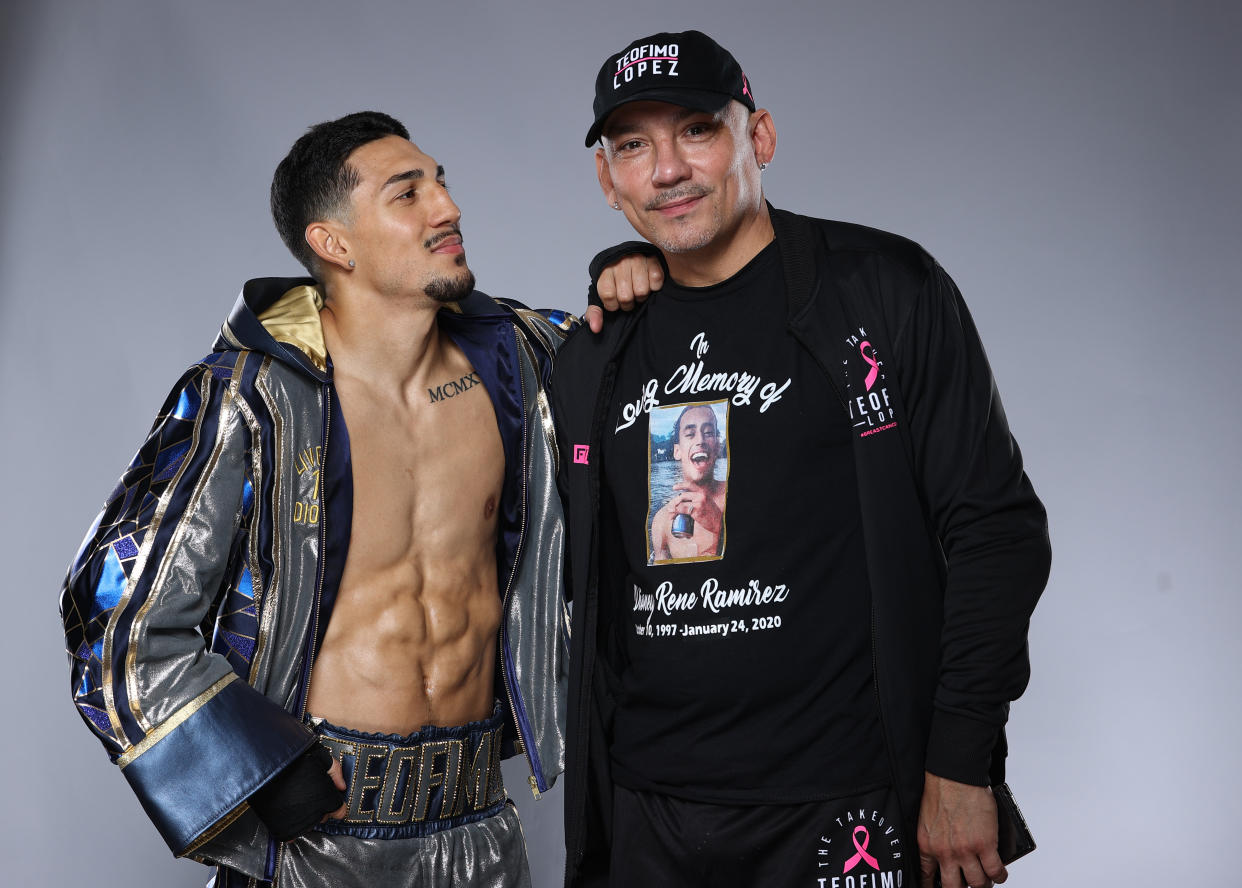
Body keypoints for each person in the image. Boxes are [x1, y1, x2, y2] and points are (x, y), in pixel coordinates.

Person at [59, 110, 652, 887]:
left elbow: (671, 386)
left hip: (481, 829)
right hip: (318, 838)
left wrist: (638, 279)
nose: (448, 207)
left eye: (442, 183)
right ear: (332, 243)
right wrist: (257, 770)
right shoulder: (248, 397)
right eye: (408, 194)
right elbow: (113, 618)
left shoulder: (526, 365)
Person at [551, 31, 1051, 888]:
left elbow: (995, 531)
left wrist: (962, 762)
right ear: (608, 179)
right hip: (648, 807)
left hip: (843, 798)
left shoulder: (885, 288)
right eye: (634, 145)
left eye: (697, 131)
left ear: (760, 139)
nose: (667, 169)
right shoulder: (595, 349)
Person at [648, 402, 727, 563]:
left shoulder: (740, 495)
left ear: (718, 446)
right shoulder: (662, 521)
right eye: (690, 434)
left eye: (709, 433)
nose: (700, 440)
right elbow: (658, 580)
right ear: (677, 451)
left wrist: (719, 526)